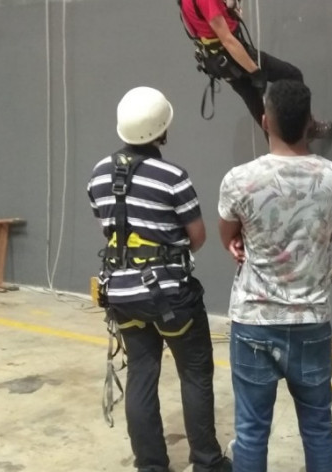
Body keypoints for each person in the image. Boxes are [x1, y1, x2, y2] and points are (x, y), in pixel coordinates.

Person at [87, 86, 230, 472]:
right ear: (162, 129)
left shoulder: (99, 174)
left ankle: (150, 465)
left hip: (123, 294)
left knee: (141, 371)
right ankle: (206, 461)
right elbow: (196, 238)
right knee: (195, 371)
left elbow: (108, 226)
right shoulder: (172, 177)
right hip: (170, 296)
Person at [217, 79, 332, 472]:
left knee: (252, 431)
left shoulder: (239, 179)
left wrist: (241, 243)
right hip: (311, 321)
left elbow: (229, 235)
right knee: (319, 429)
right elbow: (328, 231)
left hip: (255, 321)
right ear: (310, 122)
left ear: (264, 121)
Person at [178, 0, 332, 138]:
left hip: (221, 63)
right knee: (292, 75)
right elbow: (228, 39)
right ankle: (308, 127)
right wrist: (254, 70)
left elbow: (209, 23)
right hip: (235, 57)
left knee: (261, 112)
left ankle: (284, 149)